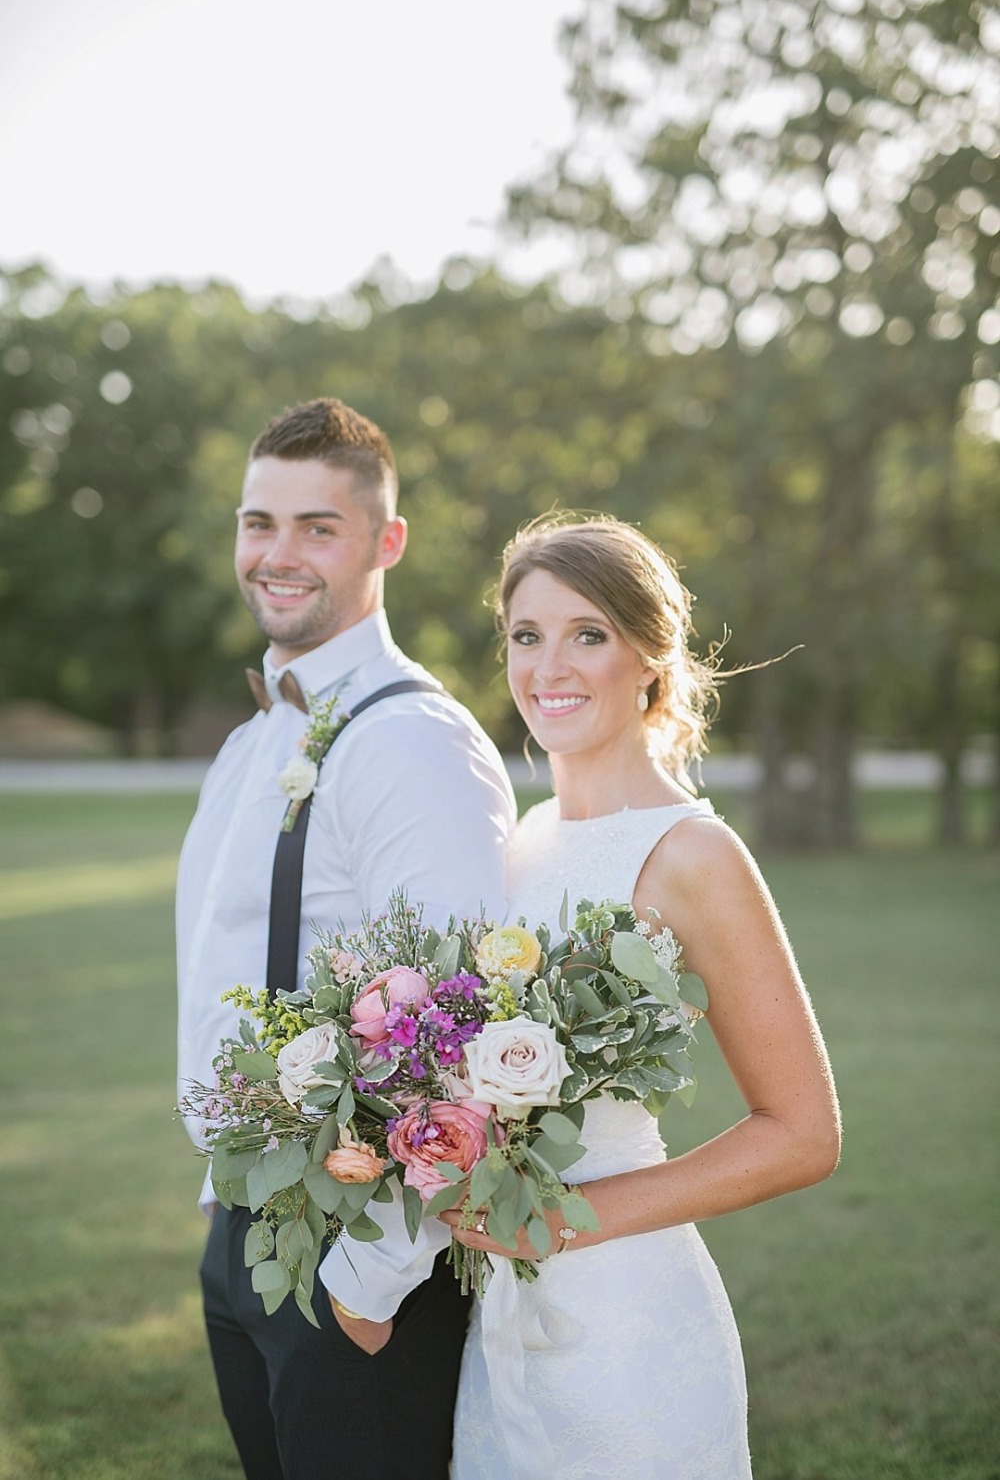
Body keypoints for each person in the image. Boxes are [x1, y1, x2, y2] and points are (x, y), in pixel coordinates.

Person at [439, 515, 841, 1479]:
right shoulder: (524, 840)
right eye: (526, 636)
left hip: (626, 1320)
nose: (549, 666)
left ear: (650, 657)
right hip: (498, 1316)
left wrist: (568, 1220)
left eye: (588, 634)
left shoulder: (694, 855)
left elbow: (803, 1132)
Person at [176, 397, 516, 1480]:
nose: (276, 554)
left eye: (317, 526)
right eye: (257, 521)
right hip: (242, 1231)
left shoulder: (408, 741)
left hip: (357, 1248)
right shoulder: (252, 741)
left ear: (387, 541)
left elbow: (465, 1029)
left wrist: (367, 1287)